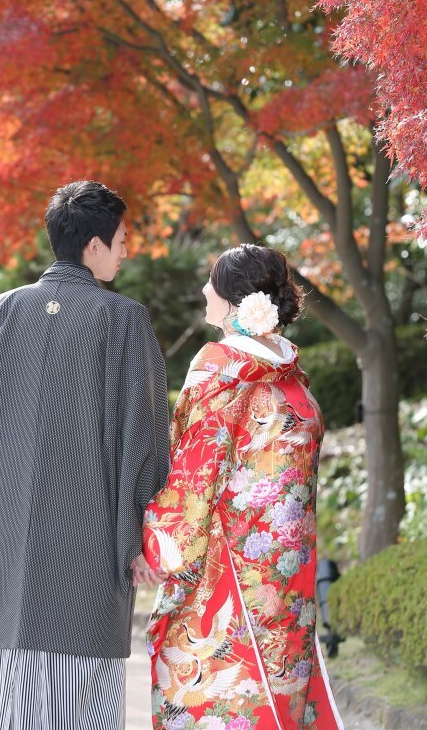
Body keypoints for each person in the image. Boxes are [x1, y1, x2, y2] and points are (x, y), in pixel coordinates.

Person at [0, 180, 170, 730]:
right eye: (122, 238)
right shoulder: (121, 318)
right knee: (76, 691)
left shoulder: (5, 309)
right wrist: (147, 530)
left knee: (1, 690)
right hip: (83, 539)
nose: (127, 249)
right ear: (94, 246)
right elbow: (145, 433)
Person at [143, 243, 343, 730]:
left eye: (212, 281)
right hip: (287, 567)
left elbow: (197, 469)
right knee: (279, 681)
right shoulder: (293, 377)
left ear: (235, 300)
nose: (204, 290)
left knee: (213, 687)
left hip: (229, 556)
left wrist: (158, 544)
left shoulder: (221, 366)